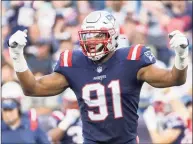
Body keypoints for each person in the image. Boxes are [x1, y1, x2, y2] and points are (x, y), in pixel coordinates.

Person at [8, 10, 189, 144]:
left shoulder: (132, 59)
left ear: (113, 36)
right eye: (88, 37)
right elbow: (32, 88)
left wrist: (181, 56)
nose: (92, 42)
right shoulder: (74, 62)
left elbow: (174, 79)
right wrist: (16, 55)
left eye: (98, 36)